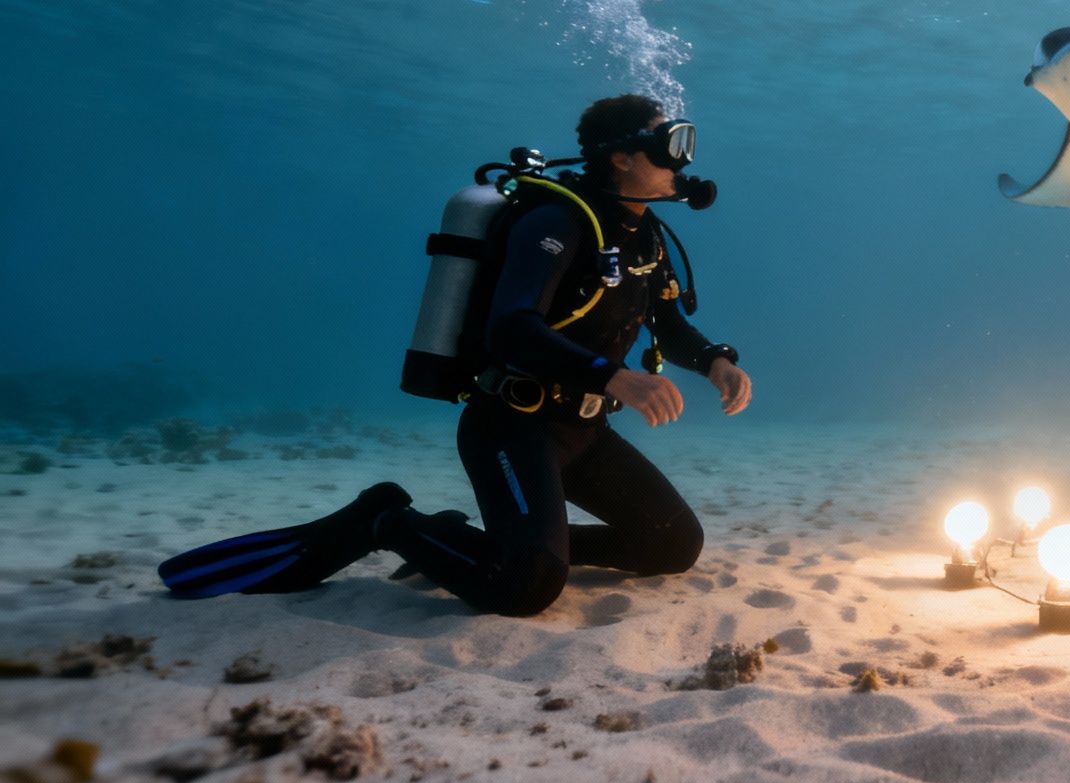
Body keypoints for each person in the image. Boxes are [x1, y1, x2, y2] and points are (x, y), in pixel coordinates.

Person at [158, 95, 752, 615]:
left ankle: (499, 544)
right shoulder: (557, 221)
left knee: (672, 545)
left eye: (686, 142)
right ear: (621, 156)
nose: (685, 161)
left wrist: (714, 361)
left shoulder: (645, 233)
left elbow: (667, 322)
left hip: (585, 431)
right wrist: (612, 374)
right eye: (672, 144)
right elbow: (510, 330)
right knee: (525, 588)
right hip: (513, 426)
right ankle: (386, 521)